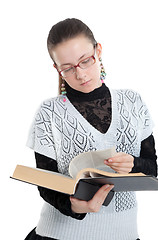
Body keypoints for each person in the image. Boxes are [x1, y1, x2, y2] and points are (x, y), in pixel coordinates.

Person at [25, 18, 157, 240]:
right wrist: (76, 207)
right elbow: (46, 183)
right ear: (57, 69)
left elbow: (152, 167)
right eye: (67, 68)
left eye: (85, 60)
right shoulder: (49, 112)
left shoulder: (133, 102)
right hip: (59, 234)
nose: (80, 74)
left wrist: (133, 164)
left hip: (123, 232)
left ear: (99, 51)